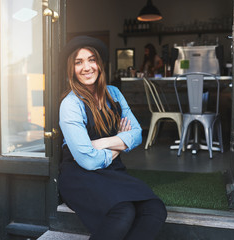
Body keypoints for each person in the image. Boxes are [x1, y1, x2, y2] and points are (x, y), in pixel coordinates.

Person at [58, 36, 167, 240]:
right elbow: (88, 159)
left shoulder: (114, 93)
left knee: (155, 209)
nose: (87, 67)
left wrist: (104, 142)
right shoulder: (71, 104)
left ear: (99, 63)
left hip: (111, 171)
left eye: (91, 59)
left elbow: (136, 133)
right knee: (122, 211)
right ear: (71, 69)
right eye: (78, 62)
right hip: (79, 174)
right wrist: (120, 143)